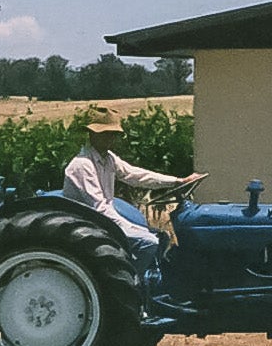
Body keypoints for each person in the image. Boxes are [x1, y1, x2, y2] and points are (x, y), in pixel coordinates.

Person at [63, 108, 203, 267]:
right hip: (89, 223)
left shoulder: (108, 159)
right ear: (92, 134)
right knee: (149, 242)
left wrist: (178, 181)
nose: (110, 138)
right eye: (104, 134)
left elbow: (136, 175)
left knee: (157, 236)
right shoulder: (82, 165)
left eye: (112, 134)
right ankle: (135, 282)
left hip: (102, 218)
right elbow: (100, 208)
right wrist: (136, 229)